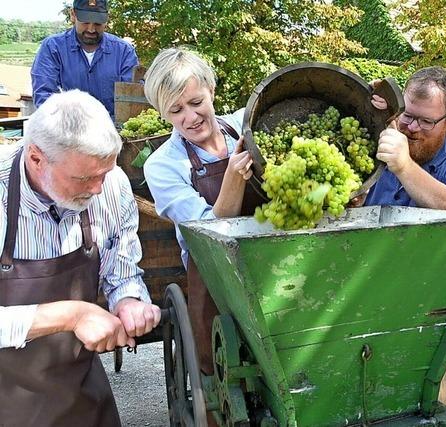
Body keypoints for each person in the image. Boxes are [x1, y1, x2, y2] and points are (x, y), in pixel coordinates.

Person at [0, 89, 161, 426]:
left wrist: (129, 299)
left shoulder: (111, 184)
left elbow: (121, 267)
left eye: (104, 173)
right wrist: (72, 315)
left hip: (81, 399)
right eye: (85, 178)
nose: (99, 188)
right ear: (36, 158)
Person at [143, 48, 264, 374]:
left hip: (272, 264)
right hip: (215, 285)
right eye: (176, 110)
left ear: (212, 90)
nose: (190, 117)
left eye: (196, 103)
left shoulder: (246, 125)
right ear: (163, 113)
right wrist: (233, 180)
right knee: (223, 374)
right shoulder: (164, 166)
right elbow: (208, 230)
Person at [366, 66, 446, 349]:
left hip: (442, 328)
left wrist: (404, 166)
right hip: (383, 319)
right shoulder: (381, 150)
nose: (411, 128)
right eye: (407, 115)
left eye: (425, 121)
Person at [31, 0, 138, 120]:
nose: (91, 29)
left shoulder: (124, 51)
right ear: (73, 15)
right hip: (66, 131)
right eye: (85, 22)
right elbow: (44, 98)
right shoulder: (52, 47)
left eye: (97, 23)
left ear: (107, 19)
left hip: (113, 133)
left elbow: (132, 101)